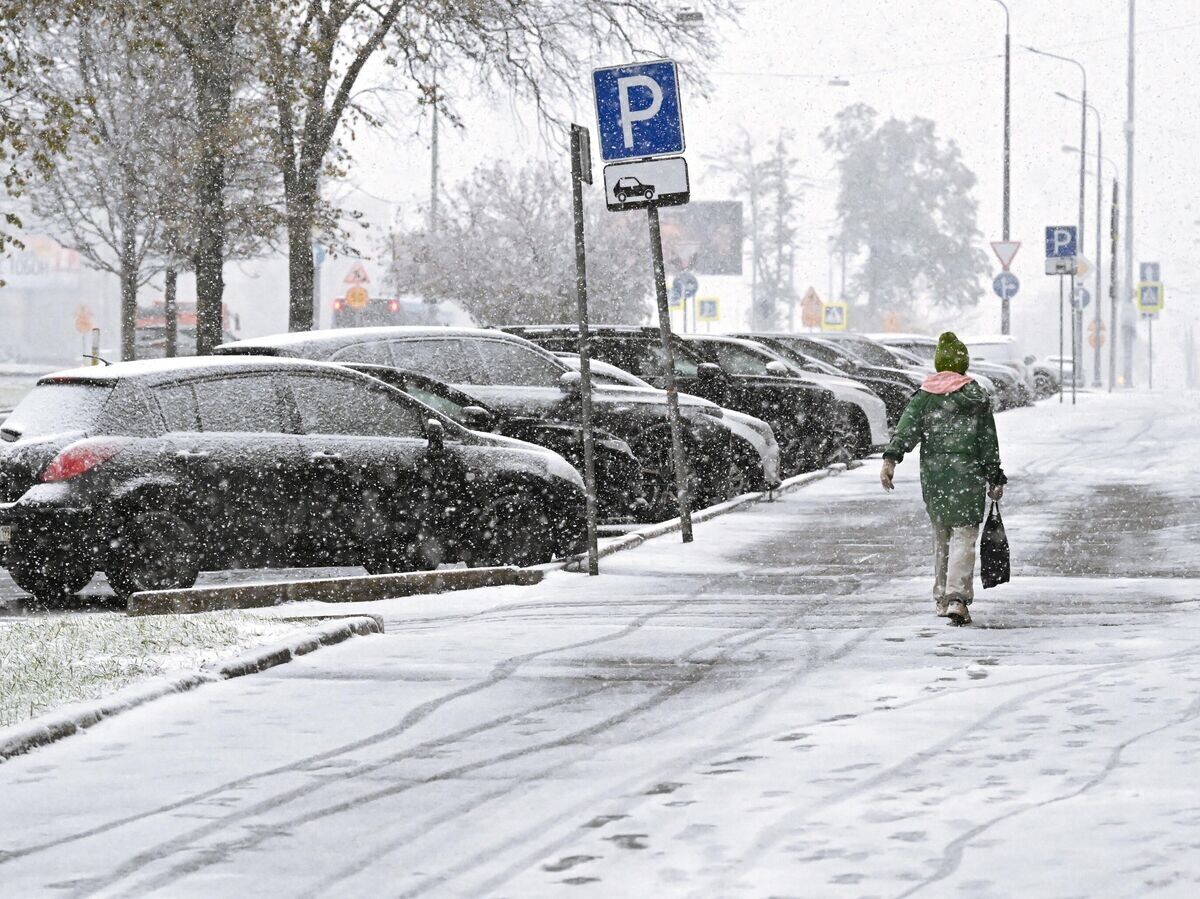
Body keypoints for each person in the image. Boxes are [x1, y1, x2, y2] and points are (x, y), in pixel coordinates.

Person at [880, 332, 1006, 626]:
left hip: (936, 478)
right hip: (969, 477)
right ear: (963, 365)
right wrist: (994, 476)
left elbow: (906, 431)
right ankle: (957, 598)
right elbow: (988, 442)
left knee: (941, 537)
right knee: (964, 537)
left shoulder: (925, 397)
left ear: (939, 364)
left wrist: (890, 460)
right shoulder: (977, 398)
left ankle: (942, 596)